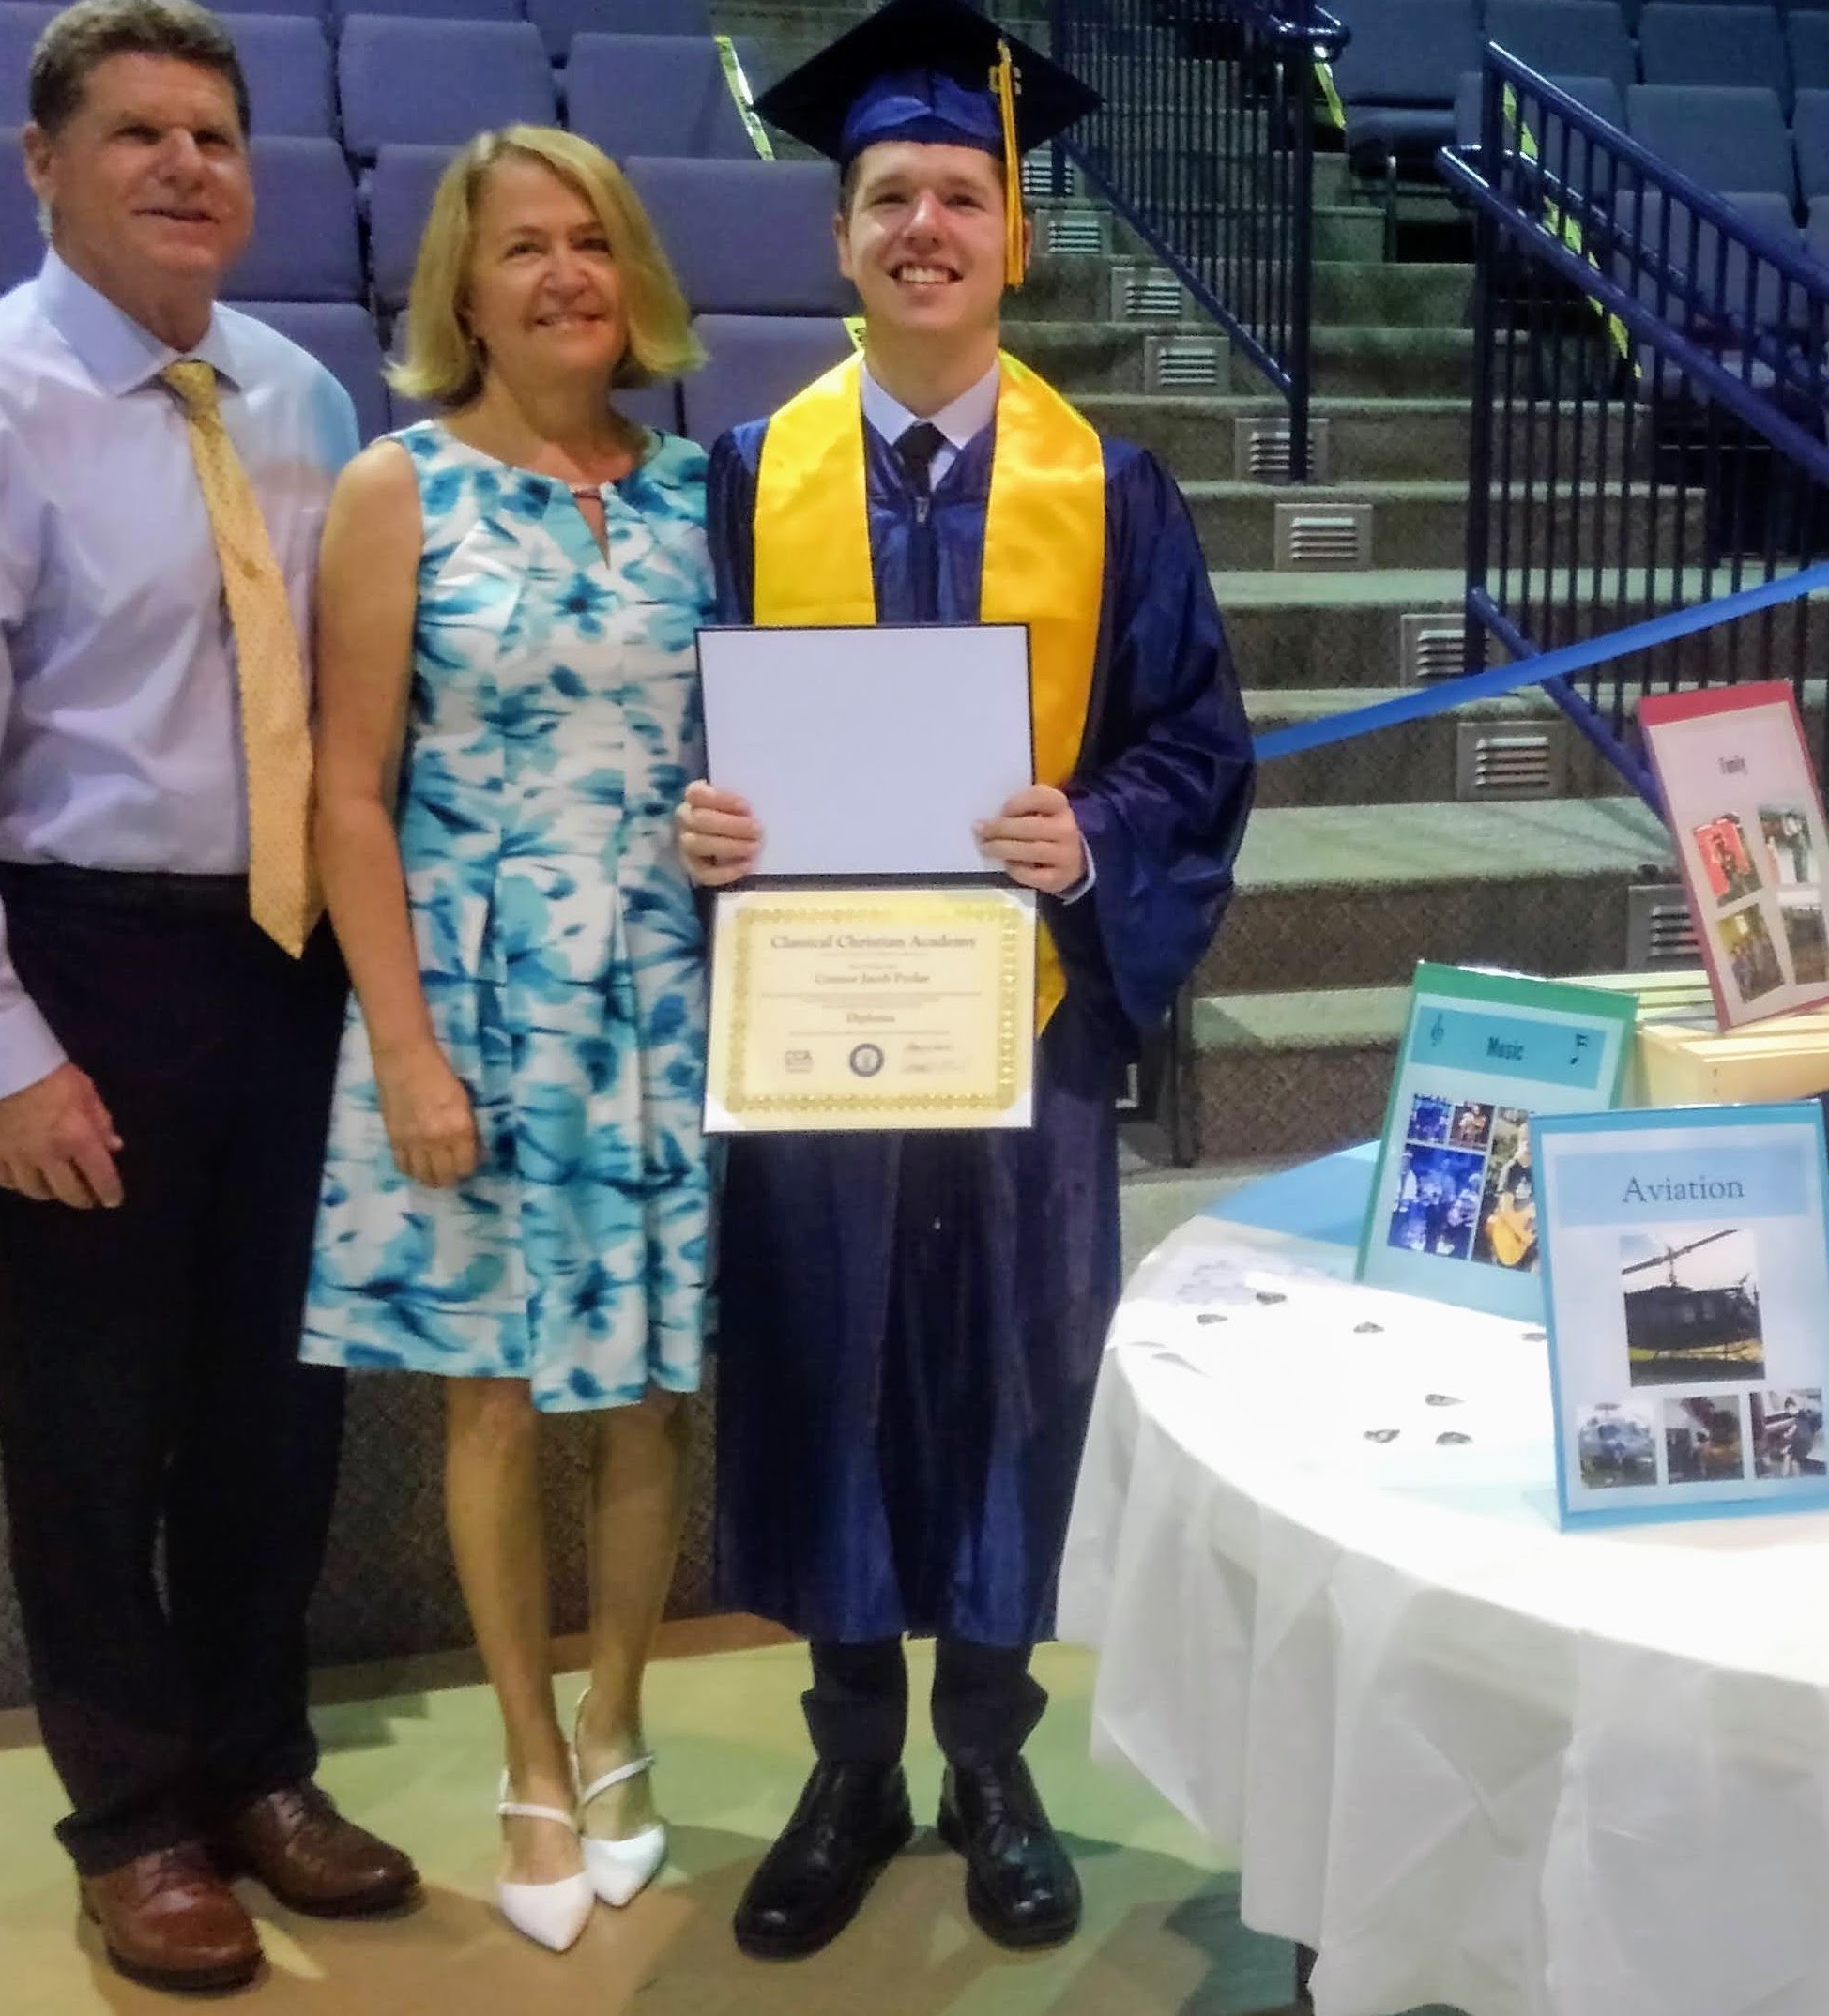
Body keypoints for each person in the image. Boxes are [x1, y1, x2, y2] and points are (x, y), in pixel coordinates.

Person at [0, 0, 414, 1992]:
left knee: (275, 1406)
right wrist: (0, 1061)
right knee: (89, 1421)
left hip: (284, 956)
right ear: (43, 166)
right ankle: (133, 1818)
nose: (185, 167)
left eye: (216, 135)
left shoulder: (300, 398)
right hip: (87, 952)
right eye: (137, 132)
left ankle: (256, 1764)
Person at [675, 0, 1255, 1961]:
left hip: (1022, 1019)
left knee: (1013, 1380)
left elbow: (1194, 744)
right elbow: (685, 727)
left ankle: (993, 1762)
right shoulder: (750, 481)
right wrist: (704, 830)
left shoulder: (1113, 491)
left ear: (1015, 234)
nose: (926, 224)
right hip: (817, 1022)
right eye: (889, 195)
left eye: (961, 193)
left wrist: (1089, 833)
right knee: (829, 1364)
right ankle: (849, 1760)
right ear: (838, 237)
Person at [299, 126, 710, 1955]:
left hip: (667, 997)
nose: (561, 274)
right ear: (459, 288)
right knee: (491, 1397)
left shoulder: (712, 494)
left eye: (592, 243)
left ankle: (621, 1724)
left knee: (644, 1393)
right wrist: (401, 1048)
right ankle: (528, 1756)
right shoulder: (397, 490)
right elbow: (344, 788)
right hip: (474, 998)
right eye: (522, 246)